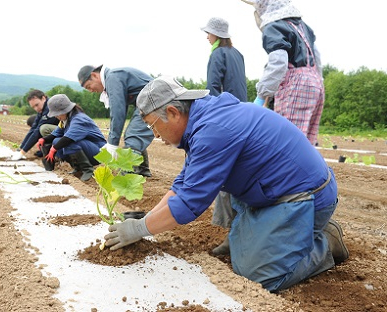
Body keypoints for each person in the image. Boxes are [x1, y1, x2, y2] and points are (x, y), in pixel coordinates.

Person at [104, 76, 349, 293]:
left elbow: (190, 203)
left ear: (172, 112)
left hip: (306, 197)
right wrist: (146, 218)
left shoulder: (213, 130)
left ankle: (326, 242)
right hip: (273, 192)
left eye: (152, 125)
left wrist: (138, 229)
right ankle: (256, 239)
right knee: (240, 250)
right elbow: (182, 185)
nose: (154, 135)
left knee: (259, 275)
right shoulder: (203, 120)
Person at [241, 0, 324, 145]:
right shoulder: (302, 26)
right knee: (306, 143)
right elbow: (317, 56)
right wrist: (318, 81)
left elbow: (278, 62)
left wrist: (261, 95)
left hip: (296, 85)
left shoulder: (275, 26)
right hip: (315, 82)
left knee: (288, 142)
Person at [201, 16, 248, 256]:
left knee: (225, 176)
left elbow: (212, 90)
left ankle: (233, 235)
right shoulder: (237, 54)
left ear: (216, 35)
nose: (206, 36)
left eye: (208, 33)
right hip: (244, 115)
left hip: (227, 119)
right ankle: (244, 231)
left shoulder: (217, 54)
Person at [77, 65, 155, 177]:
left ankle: (125, 175)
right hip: (150, 101)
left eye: (89, 86)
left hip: (154, 100)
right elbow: (121, 108)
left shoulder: (112, 78)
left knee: (133, 135)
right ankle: (142, 170)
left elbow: (118, 111)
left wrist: (112, 143)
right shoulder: (114, 77)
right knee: (132, 133)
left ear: (94, 75)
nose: (91, 91)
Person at [37, 94, 106, 181]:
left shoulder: (79, 119)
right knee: (56, 141)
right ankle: (77, 168)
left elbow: (68, 139)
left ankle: (88, 170)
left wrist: (52, 150)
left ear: (64, 110)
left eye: (57, 114)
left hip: (99, 152)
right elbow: (56, 134)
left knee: (67, 143)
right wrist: (43, 139)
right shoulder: (65, 120)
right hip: (87, 148)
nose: (56, 117)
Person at [12, 90, 58, 160]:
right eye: (33, 107)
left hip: (67, 131)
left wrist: (22, 152)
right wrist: (20, 148)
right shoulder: (42, 108)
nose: (36, 109)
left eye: (37, 105)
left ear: (43, 98)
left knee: (43, 129)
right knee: (37, 126)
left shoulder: (49, 107)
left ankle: (56, 151)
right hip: (58, 130)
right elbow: (33, 128)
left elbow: (37, 132)